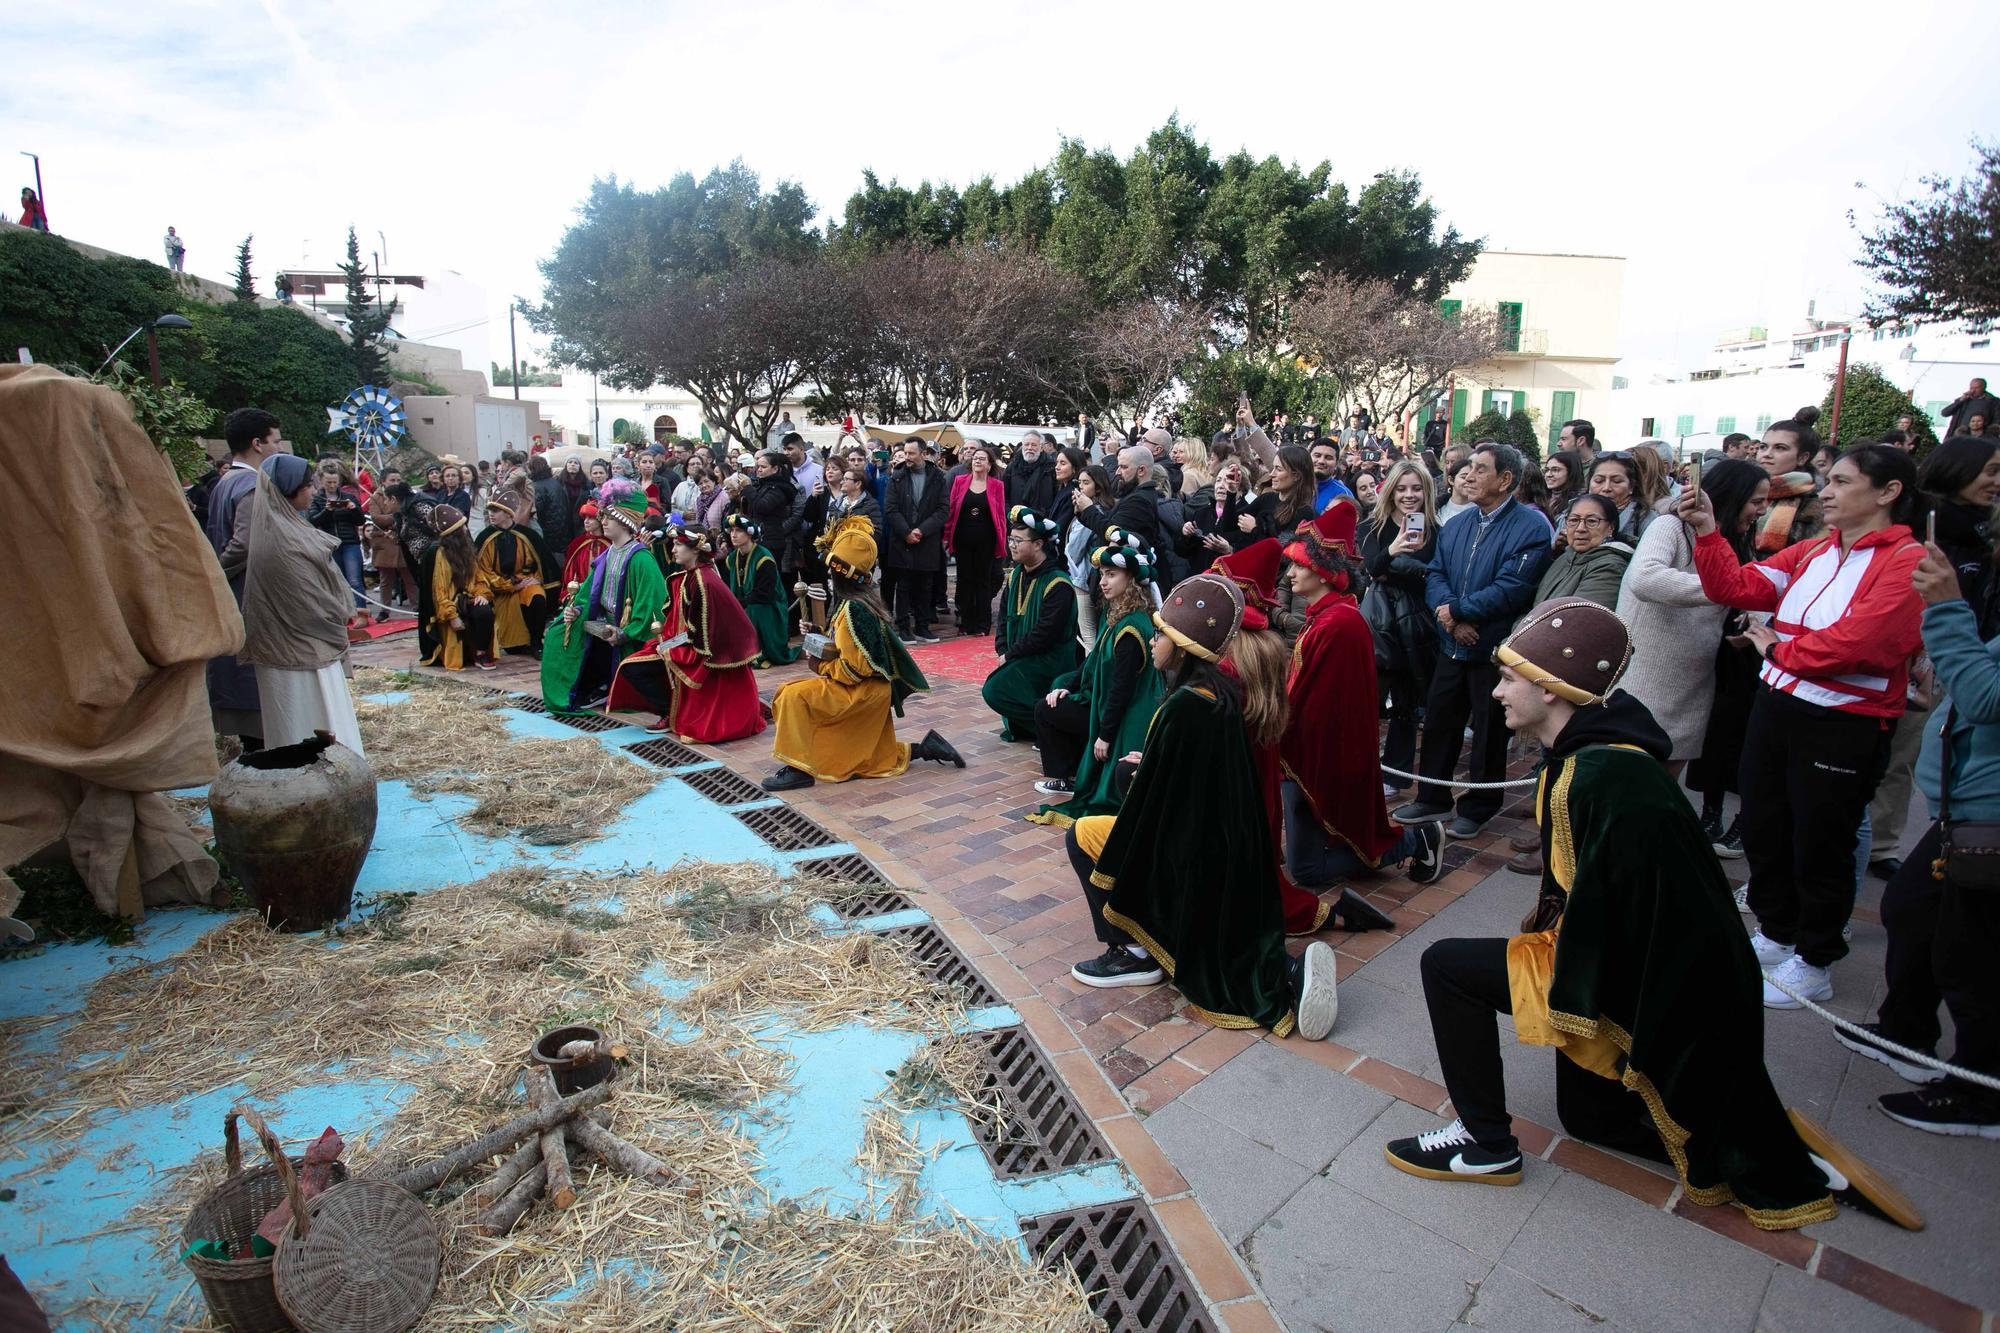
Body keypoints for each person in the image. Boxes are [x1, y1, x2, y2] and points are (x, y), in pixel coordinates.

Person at [1383, 599, 1894, 1234]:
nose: (1497, 692)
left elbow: (1631, 922)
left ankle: (1484, 1144)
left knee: (1447, 965)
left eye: (1511, 678)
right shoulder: (1588, 754)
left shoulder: (1601, 774)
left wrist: (1555, 965)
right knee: (1591, 1121)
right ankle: (1734, 1144)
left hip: (1654, 979)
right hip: (1640, 958)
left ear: (1552, 688)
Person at [1685, 444, 1927, 1008]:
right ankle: (1775, 931)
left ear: (1887, 491)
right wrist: (1707, 532)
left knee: (1822, 840)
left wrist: (1779, 650)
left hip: (1845, 720)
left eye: (1841, 482)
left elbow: (1866, 643)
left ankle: (1815, 959)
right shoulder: (1817, 548)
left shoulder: (1907, 559)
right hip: (1779, 705)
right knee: (1766, 823)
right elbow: (1737, 588)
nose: (1826, 490)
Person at [1061, 571, 1342, 1040]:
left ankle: (1132, 954)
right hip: (1223, 847)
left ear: (1186, 643)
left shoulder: (1186, 706)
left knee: (1081, 835)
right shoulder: (1219, 694)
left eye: (1162, 633)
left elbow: (1150, 812)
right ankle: (1288, 974)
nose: (1153, 642)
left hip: (1186, 852)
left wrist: (1136, 772)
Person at [1836, 538, 2000, 1138]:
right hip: (1966, 805)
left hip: (1988, 818)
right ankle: (1908, 1031)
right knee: (1913, 908)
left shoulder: (1956, 602)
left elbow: (1985, 697)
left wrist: (1948, 608)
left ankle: (1980, 1094)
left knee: (1972, 953)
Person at [1280, 503, 1448, 896]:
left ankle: (1413, 841)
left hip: (1312, 756)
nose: (1290, 575)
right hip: (1302, 752)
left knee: (1305, 871)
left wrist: (1274, 729)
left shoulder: (1337, 623)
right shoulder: (1328, 616)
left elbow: (1316, 705)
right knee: (1300, 856)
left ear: (1322, 572)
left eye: (1298, 566)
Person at [1397, 443, 1554, 837]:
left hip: (1494, 647)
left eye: (1480, 469)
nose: (1468, 474)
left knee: (1489, 729)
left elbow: (1514, 587)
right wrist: (1450, 616)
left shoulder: (1531, 527)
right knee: (1439, 720)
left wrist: (1461, 612)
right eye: (1468, 467)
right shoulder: (1458, 523)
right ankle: (1431, 797)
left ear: (1505, 480)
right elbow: (1435, 574)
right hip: (1452, 641)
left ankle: (1479, 805)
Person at [762, 516, 963, 790]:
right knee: (865, 758)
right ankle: (926, 748)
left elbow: (855, 669)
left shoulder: (855, 610)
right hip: (867, 689)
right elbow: (846, 646)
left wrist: (820, 665)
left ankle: (798, 770)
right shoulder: (852, 604)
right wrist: (817, 633)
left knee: (792, 696)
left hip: (862, 691)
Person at [1616, 458, 1770, 771]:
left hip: (1693, 687)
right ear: (1731, 496)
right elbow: (1644, 579)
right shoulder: (1669, 526)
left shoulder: (1735, 542)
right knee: (1632, 787)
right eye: (1756, 502)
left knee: (1665, 794)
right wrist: (1723, 589)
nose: (1762, 511)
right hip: (1643, 683)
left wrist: (1751, 619)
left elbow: (1746, 591)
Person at [237, 454, 365, 752]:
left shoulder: (285, 525)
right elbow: (307, 598)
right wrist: (339, 613)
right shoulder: (281, 536)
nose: (313, 490)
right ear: (288, 489)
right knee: (305, 729)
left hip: (305, 645)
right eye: (308, 485)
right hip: (298, 649)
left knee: (324, 724)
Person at [1028, 542, 1163, 821]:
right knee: (1056, 691)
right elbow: (1093, 663)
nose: (1102, 581)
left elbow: (1121, 691)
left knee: (1048, 709)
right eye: (1102, 574)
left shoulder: (1131, 627)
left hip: (1129, 717)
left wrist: (1105, 736)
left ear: (1131, 580)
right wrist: (1069, 687)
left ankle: (1075, 772)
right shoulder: (1117, 613)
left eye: (1111, 574)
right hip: (1108, 702)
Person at [606, 525, 765, 742]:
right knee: (633, 665)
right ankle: (669, 709)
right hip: (688, 643)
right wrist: (666, 643)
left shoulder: (704, 581)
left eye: (679, 544)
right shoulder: (689, 576)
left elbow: (700, 635)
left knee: (634, 668)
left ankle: (669, 712)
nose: (673, 550)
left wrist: (669, 647)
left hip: (705, 652)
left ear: (696, 549)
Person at [542, 482, 667, 710]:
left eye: (610, 517)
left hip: (630, 635)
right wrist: (576, 609)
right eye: (603, 516)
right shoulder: (608, 554)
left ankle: (602, 686)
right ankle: (585, 688)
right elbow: (587, 592)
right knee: (556, 634)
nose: (603, 522)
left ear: (626, 520)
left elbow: (653, 606)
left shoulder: (641, 559)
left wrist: (625, 632)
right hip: (603, 623)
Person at [206, 407, 286, 747]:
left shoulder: (225, 482)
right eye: (275, 441)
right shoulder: (250, 484)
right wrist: (218, 574)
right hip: (247, 593)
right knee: (252, 677)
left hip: (235, 591)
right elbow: (243, 544)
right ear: (257, 443)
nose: (278, 449)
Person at [1362, 461, 1440, 798]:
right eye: (1402, 488)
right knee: (1368, 698)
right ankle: (1360, 764)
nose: (1409, 496)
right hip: (1380, 621)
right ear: (1390, 490)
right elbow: (1370, 569)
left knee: (1407, 702)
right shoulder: (1373, 526)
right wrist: (1393, 553)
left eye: (1416, 488)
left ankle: (1396, 774)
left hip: (1418, 624)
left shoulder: (1436, 529)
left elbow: (1434, 575)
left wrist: (1396, 568)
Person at [983, 507, 1082, 741]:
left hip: (1049, 658)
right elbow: (1004, 617)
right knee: (999, 684)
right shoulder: (1017, 574)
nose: (1012, 545)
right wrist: (1003, 649)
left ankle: (1048, 728)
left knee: (995, 689)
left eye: (1018, 540)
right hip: (1023, 654)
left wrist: (1010, 655)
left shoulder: (1058, 583)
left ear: (1038, 544)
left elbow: (1045, 634)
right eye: (1011, 539)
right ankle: (1038, 727)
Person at [882, 437, 948, 643]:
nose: (908, 457)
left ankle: (922, 626)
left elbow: (943, 509)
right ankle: (903, 628)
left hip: (927, 540)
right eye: (906, 453)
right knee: (903, 586)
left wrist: (921, 530)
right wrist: (907, 532)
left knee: (925, 585)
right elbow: (891, 509)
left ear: (923, 453)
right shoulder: (897, 477)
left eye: (912, 453)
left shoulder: (938, 477)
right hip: (903, 541)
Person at [419, 506, 500, 672]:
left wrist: (481, 594)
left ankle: (480, 653)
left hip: (468, 598)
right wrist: (452, 615)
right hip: (448, 605)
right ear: (454, 532)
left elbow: (479, 578)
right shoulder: (436, 553)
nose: (466, 528)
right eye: (462, 526)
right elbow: (438, 592)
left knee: (484, 612)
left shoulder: (467, 551)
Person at [474, 496, 552, 657]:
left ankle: (536, 642)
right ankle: (518, 642)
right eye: (490, 510)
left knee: (537, 597)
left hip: (525, 580)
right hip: (499, 587)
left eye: (496, 511)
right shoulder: (484, 537)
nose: (491, 514)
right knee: (514, 648)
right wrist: (508, 585)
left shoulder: (527, 535)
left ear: (508, 513)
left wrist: (537, 578)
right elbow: (483, 571)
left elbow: (543, 562)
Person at [719, 516, 798, 668]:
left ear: (749, 534)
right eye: (732, 531)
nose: (733, 535)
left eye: (739, 531)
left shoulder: (764, 558)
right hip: (745, 602)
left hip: (769, 605)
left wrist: (738, 604)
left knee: (754, 609)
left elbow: (764, 594)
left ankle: (760, 651)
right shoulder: (731, 558)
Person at [947, 444, 1007, 636]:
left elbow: (1000, 516)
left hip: (986, 541)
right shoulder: (959, 481)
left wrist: (1002, 542)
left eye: (982, 458)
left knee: (983, 581)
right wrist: (947, 537)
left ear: (990, 464)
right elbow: (951, 510)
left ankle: (982, 624)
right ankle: (966, 622)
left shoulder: (997, 485)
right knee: (965, 581)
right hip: (962, 539)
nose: (977, 461)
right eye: (975, 458)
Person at [1533, 494, 1631, 609]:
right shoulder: (1564, 558)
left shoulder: (1610, 567)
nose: (1580, 528)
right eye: (1574, 520)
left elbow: (1579, 619)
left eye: (1591, 521)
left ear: (1611, 528)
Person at [306, 460, 367, 623]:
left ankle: (361, 614)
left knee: (354, 580)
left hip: (350, 542)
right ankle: (343, 615)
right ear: (321, 481)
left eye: (334, 482)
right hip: (329, 543)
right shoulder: (317, 499)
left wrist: (353, 509)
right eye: (328, 482)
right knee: (337, 581)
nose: (332, 485)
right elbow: (312, 520)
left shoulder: (349, 497)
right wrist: (327, 510)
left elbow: (360, 521)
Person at [364, 477, 410, 616]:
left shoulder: (405, 495)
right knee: (386, 579)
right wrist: (396, 517)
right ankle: (384, 610)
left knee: (410, 577)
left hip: (402, 540)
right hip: (384, 541)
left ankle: (417, 608)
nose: (396, 482)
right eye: (392, 480)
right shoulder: (375, 497)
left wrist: (392, 518)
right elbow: (376, 518)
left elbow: (406, 514)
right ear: (383, 481)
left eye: (398, 480)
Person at [1006, 431, 1059, 515]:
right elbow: (1003, 495)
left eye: (1034, 445)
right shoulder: (1013, 467)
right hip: (1015, 520)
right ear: (1022, 446)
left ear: (1041, 448)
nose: (1029, 448)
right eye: (1026, 444)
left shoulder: (1051, 468)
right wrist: (1010, 514)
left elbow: (1057, 496)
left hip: (1043, 521)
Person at [1307, 439, 1356, 514]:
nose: (1321, 461)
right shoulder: (1293, 485)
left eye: (1328, 458)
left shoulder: (1343, 494)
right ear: (1308, 458)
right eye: (1317, 456)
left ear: (1336, 464)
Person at [1943, 378, 1999, 442]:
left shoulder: (1993, 402)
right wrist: (1960, 401)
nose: (1972, 390)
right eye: (1971, 388)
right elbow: (1944, 413)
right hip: (1958, 437)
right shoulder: (1963, 400)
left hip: (1981, 439)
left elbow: (1996, 421)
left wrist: (1990, 435)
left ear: (1983, 387)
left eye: (1976, 388)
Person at [1540, 450, 1585, 523]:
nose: (1549, 475)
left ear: (1571, 472)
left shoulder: (1579, 503)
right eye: (1547, 470)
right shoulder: (1542, 498)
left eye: (1555, 470)